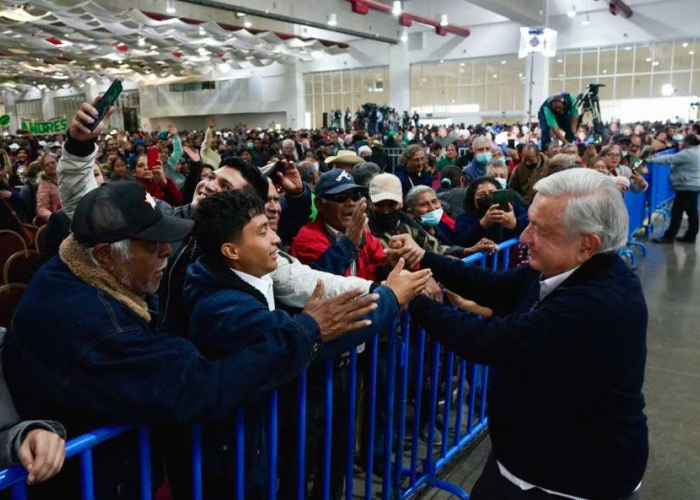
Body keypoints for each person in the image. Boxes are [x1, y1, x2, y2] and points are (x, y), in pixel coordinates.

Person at [390, 168, 647, 500]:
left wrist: (410, 300)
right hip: (527, 460)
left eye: (539, 229)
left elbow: (488, 340)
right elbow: (491, 286)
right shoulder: (565, 267)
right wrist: (424, 257)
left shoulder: (598, 302)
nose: (524, 237)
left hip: (573, 480)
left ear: (587, 244)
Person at [184, 189, 430, 499]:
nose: (276, 239)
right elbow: (316, 335)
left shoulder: (252, 279)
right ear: (231, 251)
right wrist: (389, 297)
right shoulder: (225, 308)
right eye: (262, 232)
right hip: (237, 451)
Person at [291, 169, 388, 280]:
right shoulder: (307, 240)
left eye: (355, 196)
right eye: (340, 197)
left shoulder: (364, 234)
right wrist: (348, 245)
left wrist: (391, 264)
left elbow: (378, 265)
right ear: (320, 205)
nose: (350, 203)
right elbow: (324, 283)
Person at [367, 173, 493, 257]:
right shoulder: (363, 231)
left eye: (391, 204)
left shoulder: (409, 225)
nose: (386, 211)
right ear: (370, 203)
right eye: (380, 204)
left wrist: (468, 250)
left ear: (400, 202)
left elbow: (435, 248)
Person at [650, 134, 700, 244]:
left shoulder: (688, 153)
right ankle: (690, 236)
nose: (681, 143)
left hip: (686, 186)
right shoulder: (696, 150)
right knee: (692, 212)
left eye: (683, 141)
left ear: (687, 143)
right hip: (692, 185)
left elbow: (669, 159)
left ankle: (669, 236)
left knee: (677, 211)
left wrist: (651, 160)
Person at [453, 176, 529, 247]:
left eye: (492, 192)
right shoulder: (464, 218)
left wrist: (514, 224)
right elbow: (460, 241)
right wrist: (482, 224)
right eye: (481, 195)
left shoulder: (512, 209)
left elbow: (533, 225)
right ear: (472, 199)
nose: (488, 197)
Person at [36, 155, 61, 224]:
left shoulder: (66, 177)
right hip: (59, 221)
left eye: (53, 163)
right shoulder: (44, 184)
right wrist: (54, 218)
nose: (50, 165)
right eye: (47, 165)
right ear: (43, 169)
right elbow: (41, 209)